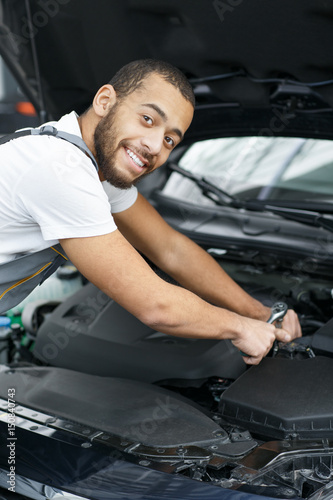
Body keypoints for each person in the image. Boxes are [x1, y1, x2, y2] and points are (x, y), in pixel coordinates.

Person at [0, 59, 301, 365]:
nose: (156, 146)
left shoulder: (88, 163)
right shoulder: (60, 168)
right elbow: (156, 307)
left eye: (170, 139)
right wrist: (240, 328)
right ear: (105, 101)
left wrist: (261, 313)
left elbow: (171, 250)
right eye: (147, 119)